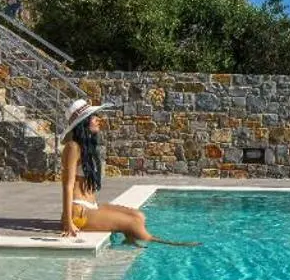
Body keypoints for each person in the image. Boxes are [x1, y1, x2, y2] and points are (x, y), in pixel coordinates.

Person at [57, 98, 194, 246]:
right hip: (78, 212)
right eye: (93, 117)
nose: (98, 120)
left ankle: (130, 240)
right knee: (133, 224)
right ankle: (169, 245)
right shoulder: (72, 147)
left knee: (139, 216)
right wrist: (68, 221)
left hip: (91, 206)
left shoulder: (86, 147)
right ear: (83, 123)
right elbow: (67, 185)